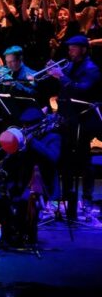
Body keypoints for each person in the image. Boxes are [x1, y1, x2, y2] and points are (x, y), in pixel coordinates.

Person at [48, 35, 101, 216]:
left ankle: (86, 197)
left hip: (84, 120)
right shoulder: (70, 65)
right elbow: (65, 89)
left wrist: (61, 76)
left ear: (83, 49)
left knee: (83, 160)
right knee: (66, 159)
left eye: (73, 48)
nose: (69, 50)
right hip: (68, 119)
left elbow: (81, 90)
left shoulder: (91, 68)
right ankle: (68, 196)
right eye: (69, 47)